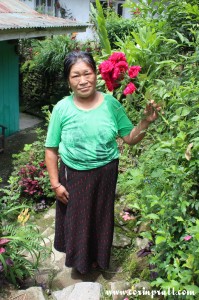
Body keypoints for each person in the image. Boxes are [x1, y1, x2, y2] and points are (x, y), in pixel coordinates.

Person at [45, 51, 162, 275]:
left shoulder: (111, 105)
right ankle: (80, 264)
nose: (83, 80)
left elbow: (130, 138)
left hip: (106, 172)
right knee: (78, 221)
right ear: (68, 80)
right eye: (75, 76)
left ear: (96, 73)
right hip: (73, 174)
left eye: (87, 73)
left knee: (100, 217)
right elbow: (51, 150)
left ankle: (98, 261)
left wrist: (145, 122)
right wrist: (55, 184)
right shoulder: (62, 108)